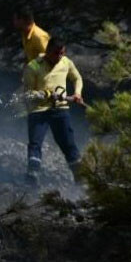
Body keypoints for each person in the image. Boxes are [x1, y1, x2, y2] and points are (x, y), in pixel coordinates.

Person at [22, 37, 84, 185]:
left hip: (60, 108)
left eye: (62, 53)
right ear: (48, 51)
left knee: (68, 143)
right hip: (39, 110)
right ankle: (32, 176)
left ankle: (81, 178)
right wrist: (47, 94)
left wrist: (77, 93)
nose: (59, 56)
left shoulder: (66, 62)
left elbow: (77, 78)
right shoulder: (33, 66)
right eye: (56, 53)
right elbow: (27, 94)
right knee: (35, 143)